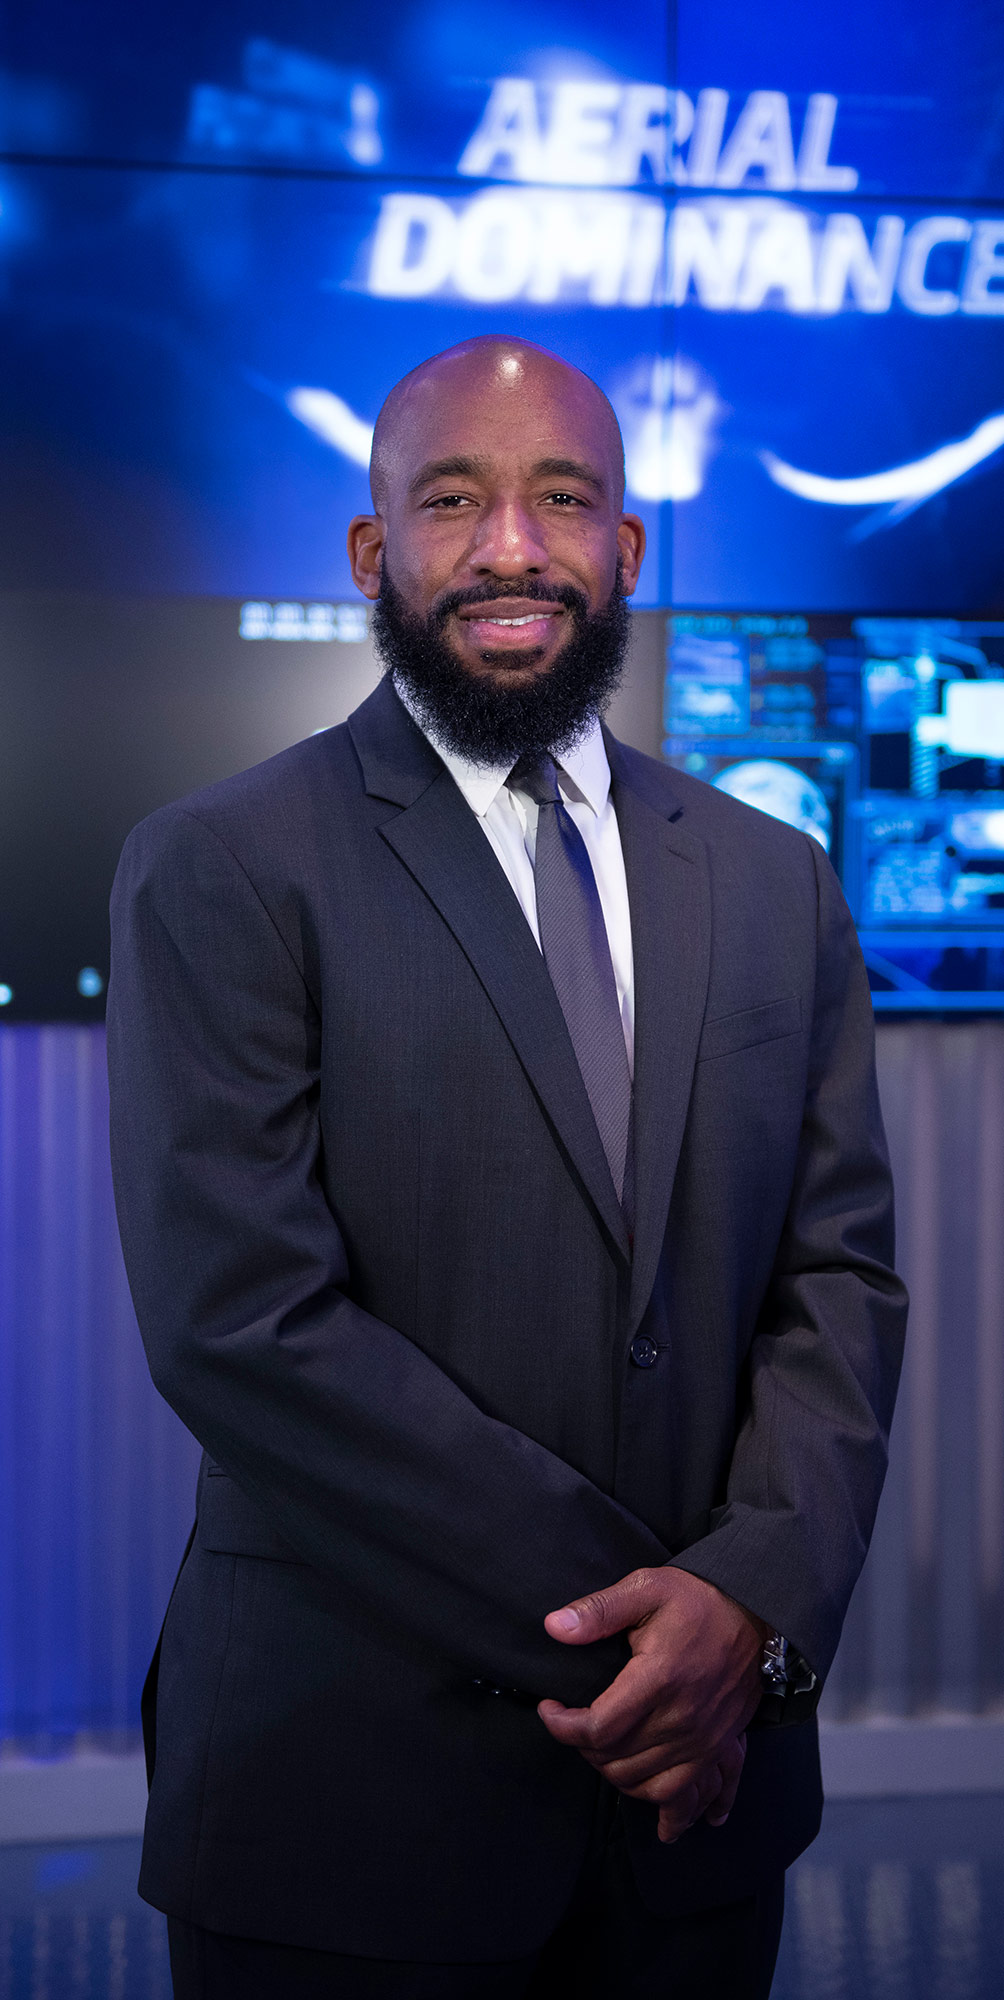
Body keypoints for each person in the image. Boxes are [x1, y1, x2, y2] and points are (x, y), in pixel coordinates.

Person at [107, 337, 907, 1999]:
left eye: (563, 499)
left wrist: (749, 1610)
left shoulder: (778, 881)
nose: (511, 547)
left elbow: (837, 1280)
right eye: (451, 499)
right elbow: (242, 1324)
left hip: (698, 1823)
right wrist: (659, 1637)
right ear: (370, 550)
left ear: (628, 550)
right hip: (344, 1808)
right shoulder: (223, 865)